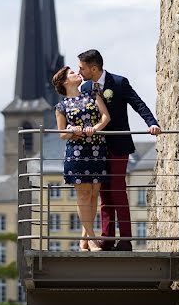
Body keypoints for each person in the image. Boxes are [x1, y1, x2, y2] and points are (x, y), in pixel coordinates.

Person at [78, 49, 160, 251]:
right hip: (96, 148)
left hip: (119, 146)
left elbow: (138, 104)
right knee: (104, 194)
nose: (79, 71)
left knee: (118, 191)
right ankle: (107, 239)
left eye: (82, 68)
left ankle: (125, 240)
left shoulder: (119, 82)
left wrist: (152, 123)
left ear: (94, 68)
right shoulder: (86, 87)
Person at [52, 65, 111, 252]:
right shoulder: (61, 106)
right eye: (72, 73)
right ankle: (92, 239)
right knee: (84, 194)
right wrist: (70, 130)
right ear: (64, 82)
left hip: (96, 148)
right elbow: (61, 134)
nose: (77, 73)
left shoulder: (92, 94)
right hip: (76, 152)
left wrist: (96, 128)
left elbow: (105, 117)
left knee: (94, 194)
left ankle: (84, 238)